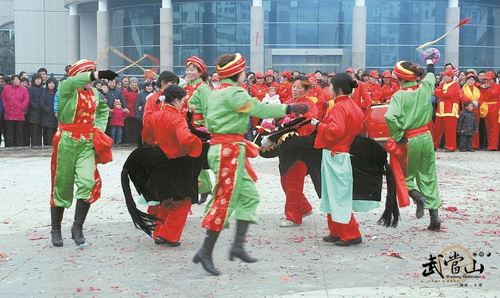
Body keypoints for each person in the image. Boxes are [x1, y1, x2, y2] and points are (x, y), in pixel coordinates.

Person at [193, 53, 309, 276]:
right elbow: (259, 109)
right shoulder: (234, 92)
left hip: (228, 149)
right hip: (228, 151)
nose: (245, 75)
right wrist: (291, 108)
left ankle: (237, 246)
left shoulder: (216, 92)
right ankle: (205, 251)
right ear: (237, 73)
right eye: (243, 71)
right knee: (225, 200)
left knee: (249, 197)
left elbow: (204, 119)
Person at [49, 59, 116, 247]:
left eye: (94, 74)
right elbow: (73, 82)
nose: (93, 79)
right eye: (89, 74)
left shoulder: (94, 93)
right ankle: (55, 228)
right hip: (66, 142)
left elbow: (103, 111)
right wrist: (97, 74)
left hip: (86, 142)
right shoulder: (66, 89)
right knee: (62, 184)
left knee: (88, 182)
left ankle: (77, 226)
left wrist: (98, 130)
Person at [385, 58, 442, 232]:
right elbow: (431, 74)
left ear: (400, 79)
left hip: (409, 139)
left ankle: (417, 196)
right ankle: (434, 216)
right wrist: (430, 61)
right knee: (428, 174)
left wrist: (397, 134)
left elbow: (389, 117)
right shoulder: (425, 88)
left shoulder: (399, 95)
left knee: (405, 175)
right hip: (426, 136)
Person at [310, 73, 364, 246]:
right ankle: (336, 230)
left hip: (336, 154)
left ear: (338, 89)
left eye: (331, 87)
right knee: (333, 194)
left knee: (338, 196)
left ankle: (350, 233)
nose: (329, 90)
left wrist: (318, 125)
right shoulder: (353, 106)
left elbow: (335, 131)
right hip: (342, 152)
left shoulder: (339, 107)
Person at [146, 85, 204, 246]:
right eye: (183, 100)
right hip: (177, 163)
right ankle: (169, 235)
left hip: (159, 161)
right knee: (183, 201)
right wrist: (197, 143)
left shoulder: (155, 116)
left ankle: (158, 233)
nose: (183, 104)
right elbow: (185, 140)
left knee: (166, 200)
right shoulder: (177, 119)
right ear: (177, 100)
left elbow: (146, 136)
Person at [279, 76, 318, 228]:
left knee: (294, 181)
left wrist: (298, 119)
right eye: (294, 87)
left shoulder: (310, 105)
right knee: (284, 180)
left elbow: (310, 125)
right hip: (285, 147)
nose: (295, 90)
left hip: (301, 148)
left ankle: (293, 217)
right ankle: (304, 208)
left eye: (299, 87)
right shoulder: (288, 103)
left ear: (307, 90)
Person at [179, 56, 213, 202]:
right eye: (187, 69)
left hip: (198, 128)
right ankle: (202, 188)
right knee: (188, 159)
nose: (188, 72)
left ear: (200, 73)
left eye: (192, 70)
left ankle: (202, 188)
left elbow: (208, 109)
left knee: (196, 159)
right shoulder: (183, 88)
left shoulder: (203, 88)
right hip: (184, 127)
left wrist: (209, 129)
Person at [433, 68, 460, 152]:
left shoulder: (455, 84)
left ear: (450, 76)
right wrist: (443, 92)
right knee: (437, 129)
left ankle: (451, 147)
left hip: (451, 110)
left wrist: (442, 92)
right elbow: (435, 92)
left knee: (450, 130)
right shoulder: (443, 84)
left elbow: (450, 94)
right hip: (441, 110)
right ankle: (434, 145)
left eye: (445, 75)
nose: (443, 76)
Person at [2, 75, 29, 147]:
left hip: (19, 114)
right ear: (12, 81)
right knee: (9, 132)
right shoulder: (7, 88)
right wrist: (6, 106)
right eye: (15, 79)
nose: (17, 81)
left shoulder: (23, 89)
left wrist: (21, 107)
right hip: (9, 113)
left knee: (19, 132)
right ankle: (9, 146)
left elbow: (26, 100)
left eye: (18, 79)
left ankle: (19, 146)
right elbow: (3, 98)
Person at [459, 73, 481, 149]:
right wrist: (471, 103)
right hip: (466, 111)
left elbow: (481, 98)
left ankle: (474, 145)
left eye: (472, 80)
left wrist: (478, 102)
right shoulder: (462, 89)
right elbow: (462, 98)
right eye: (469, 80)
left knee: (474, 128)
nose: (471, 81)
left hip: (475, 111)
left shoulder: (477, 89)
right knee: (465, 128)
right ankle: (464, 146)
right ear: (466, 80)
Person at [479, 71, 500, 150]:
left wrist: (486, 89)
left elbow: (492, 94)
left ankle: (493, 145)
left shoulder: (497, 86)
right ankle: (490, 144)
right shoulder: (485, 87)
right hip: (487, 108)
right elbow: (482, 97)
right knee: (488, 127)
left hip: (495, 107)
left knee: (494, 127)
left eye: (489, 80)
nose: (487, 81)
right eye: (486, 80)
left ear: (493, 79)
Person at [134, 81, 154, 146]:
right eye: (148, 86)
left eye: (150, 86)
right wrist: (137, 115)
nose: (149, 88)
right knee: (141, 130)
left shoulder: (154, 94)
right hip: (142, 115)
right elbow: (137, 105)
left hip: (152, 116)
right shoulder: (141, 94)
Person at [27, 74, 45, 146]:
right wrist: (36, 106)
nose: (38, 81)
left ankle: (39, 145)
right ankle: (34, 145)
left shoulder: (43, 89)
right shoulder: (30, 89)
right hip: (33, 112)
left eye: (39, 79)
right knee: (34, 130)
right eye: (36, 79)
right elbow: (30, 100)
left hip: (41, 112)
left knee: (40, 130)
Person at [40, 77, 58, 146]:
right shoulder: (44, 92)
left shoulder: (57, 93)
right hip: (46, 116)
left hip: (54, 116)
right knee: (47, 133)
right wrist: (47, 110)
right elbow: (42, 103)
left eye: (53, 83)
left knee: (54, 133)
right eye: (50, 83)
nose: (51, 85)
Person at [122, 77, 140, 143]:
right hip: (127, 112)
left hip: (135, 112)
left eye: (135, 82)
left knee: (134, 128)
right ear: (130, 83)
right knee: (127, 128)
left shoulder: (139, 91)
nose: (134, 84)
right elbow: (123, 100)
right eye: (133, 82)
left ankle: (133, 140)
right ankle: (127, 140)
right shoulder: (125, 91)